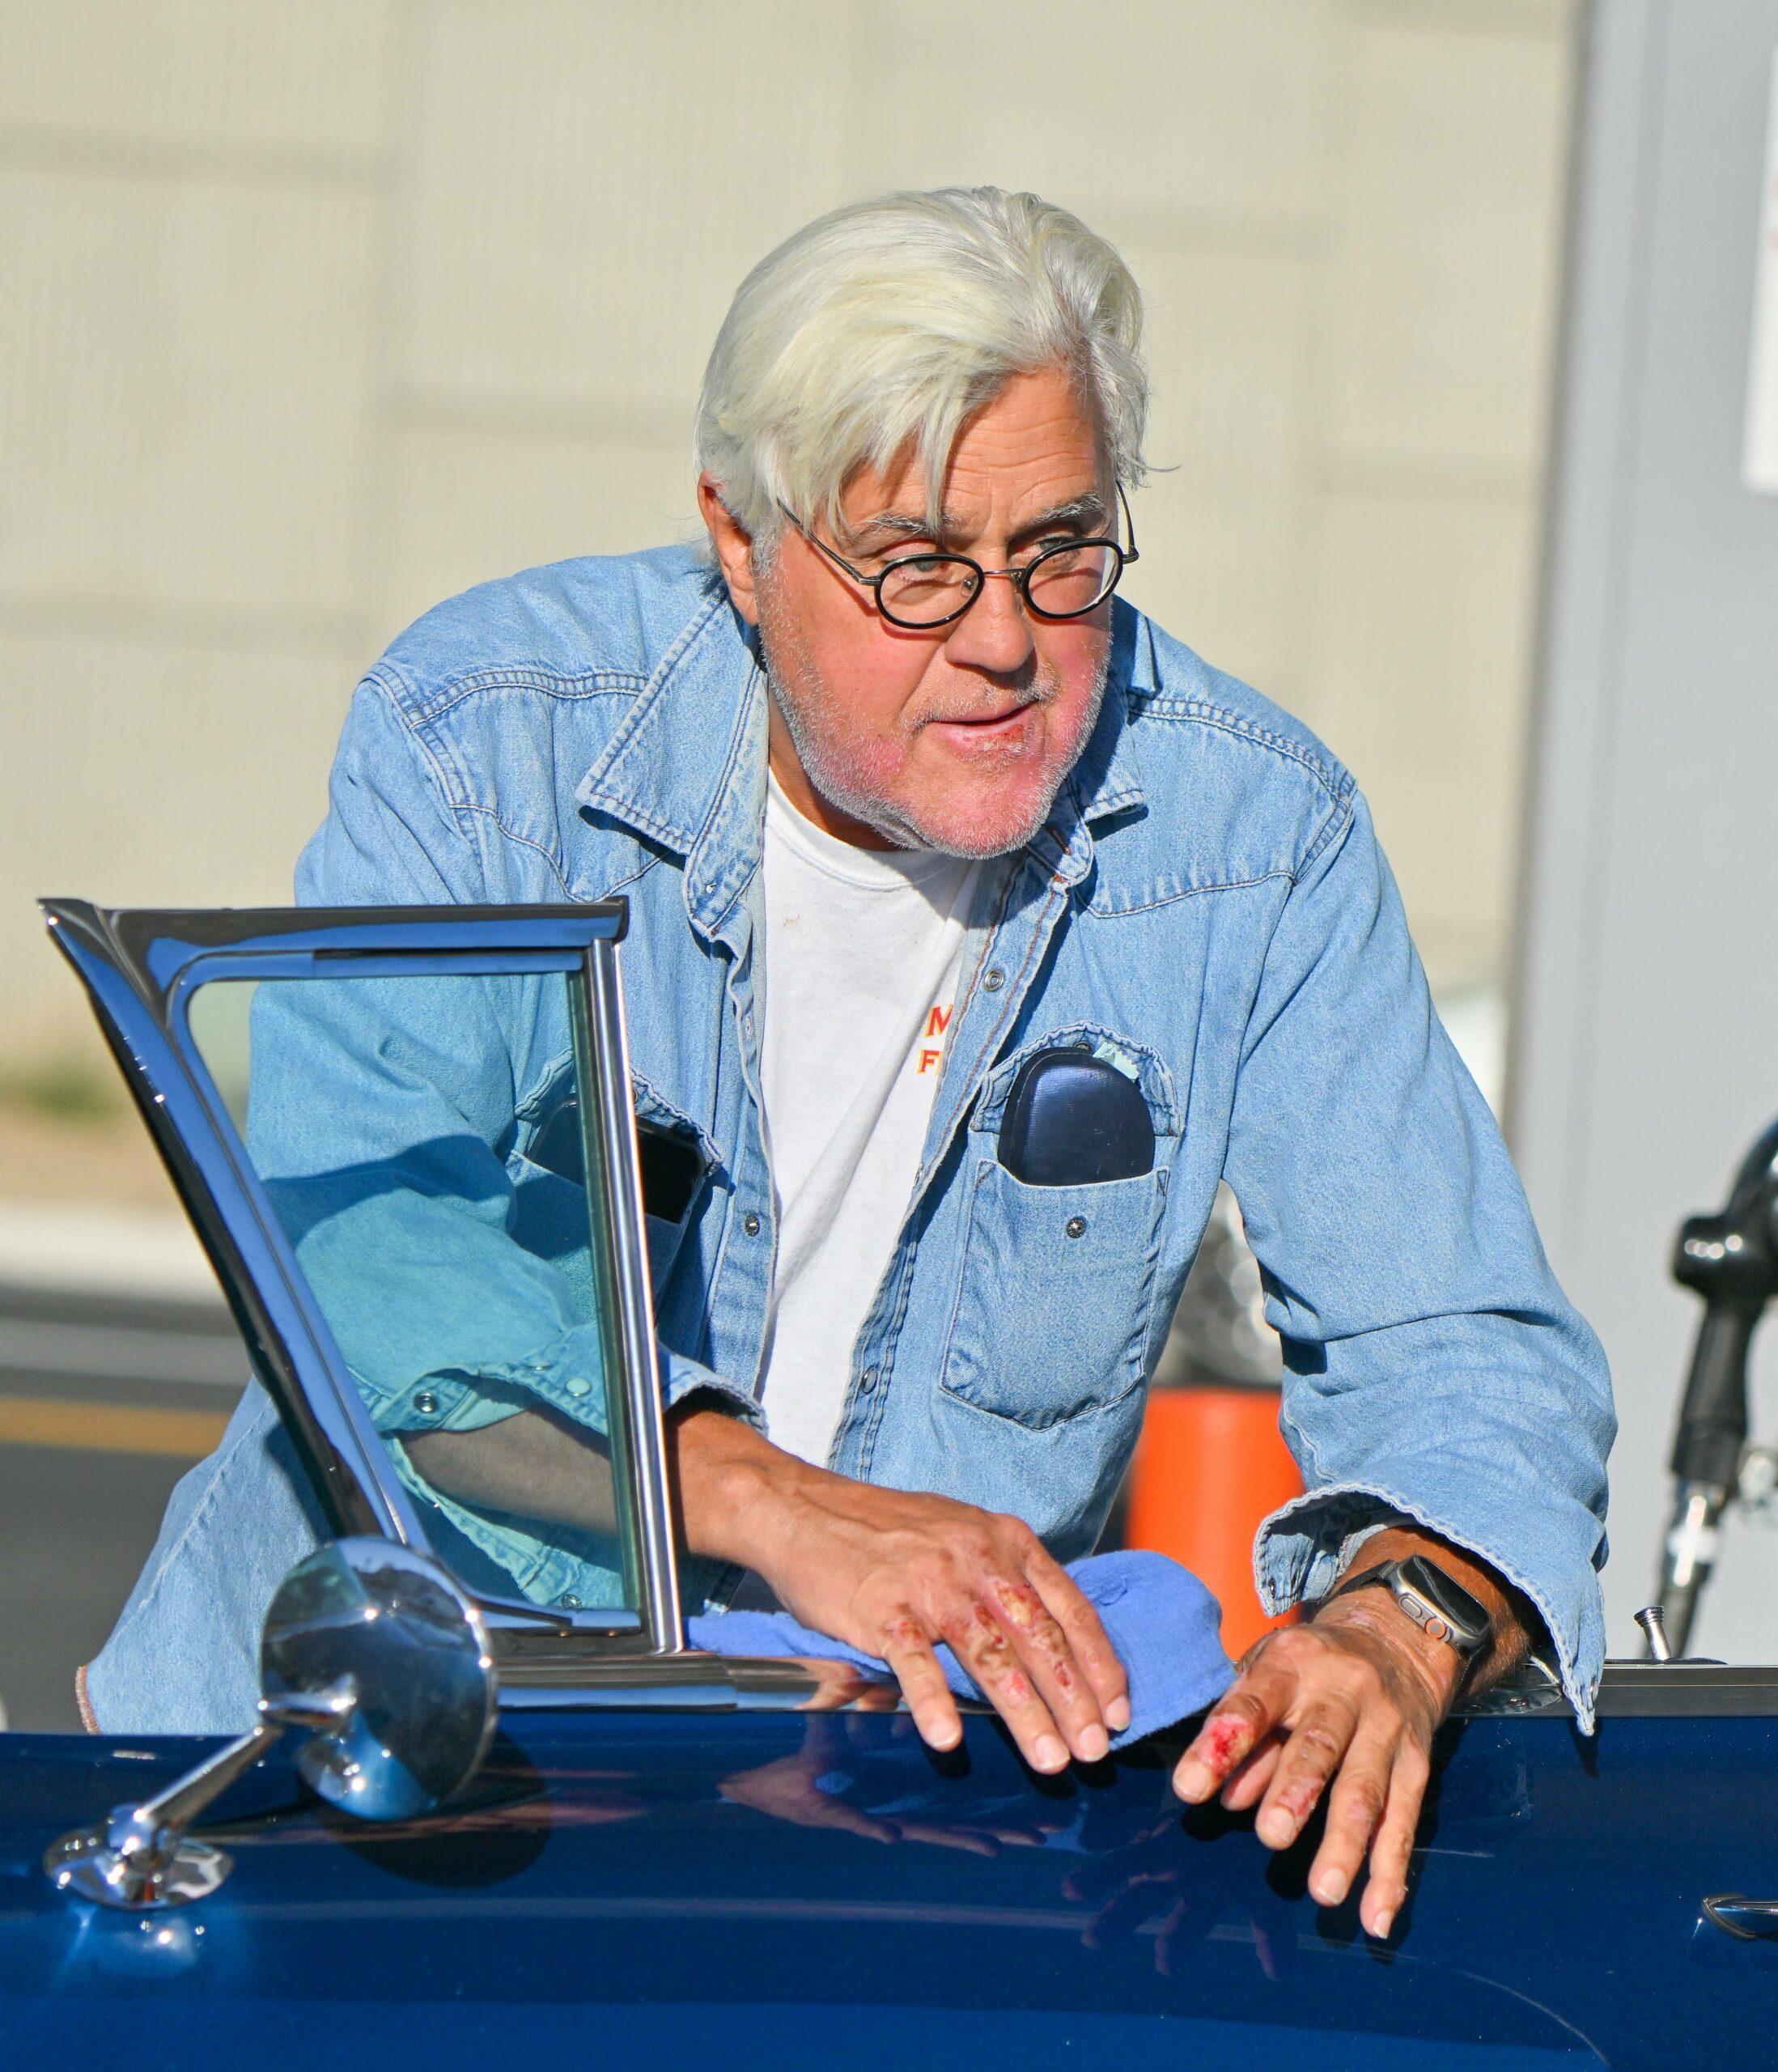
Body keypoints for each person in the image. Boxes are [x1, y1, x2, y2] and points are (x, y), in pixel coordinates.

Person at [87, 188, 1613, 1942]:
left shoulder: (1253, 833)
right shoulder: (483, 736)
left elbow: (1468, 1345)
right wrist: (772, 1502)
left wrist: (1400, 1619)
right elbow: (365, 1256)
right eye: (913, 566)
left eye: (1060, 552)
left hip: (872, 1855)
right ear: (738, 543)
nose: (1000, 636)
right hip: (381, 1791)